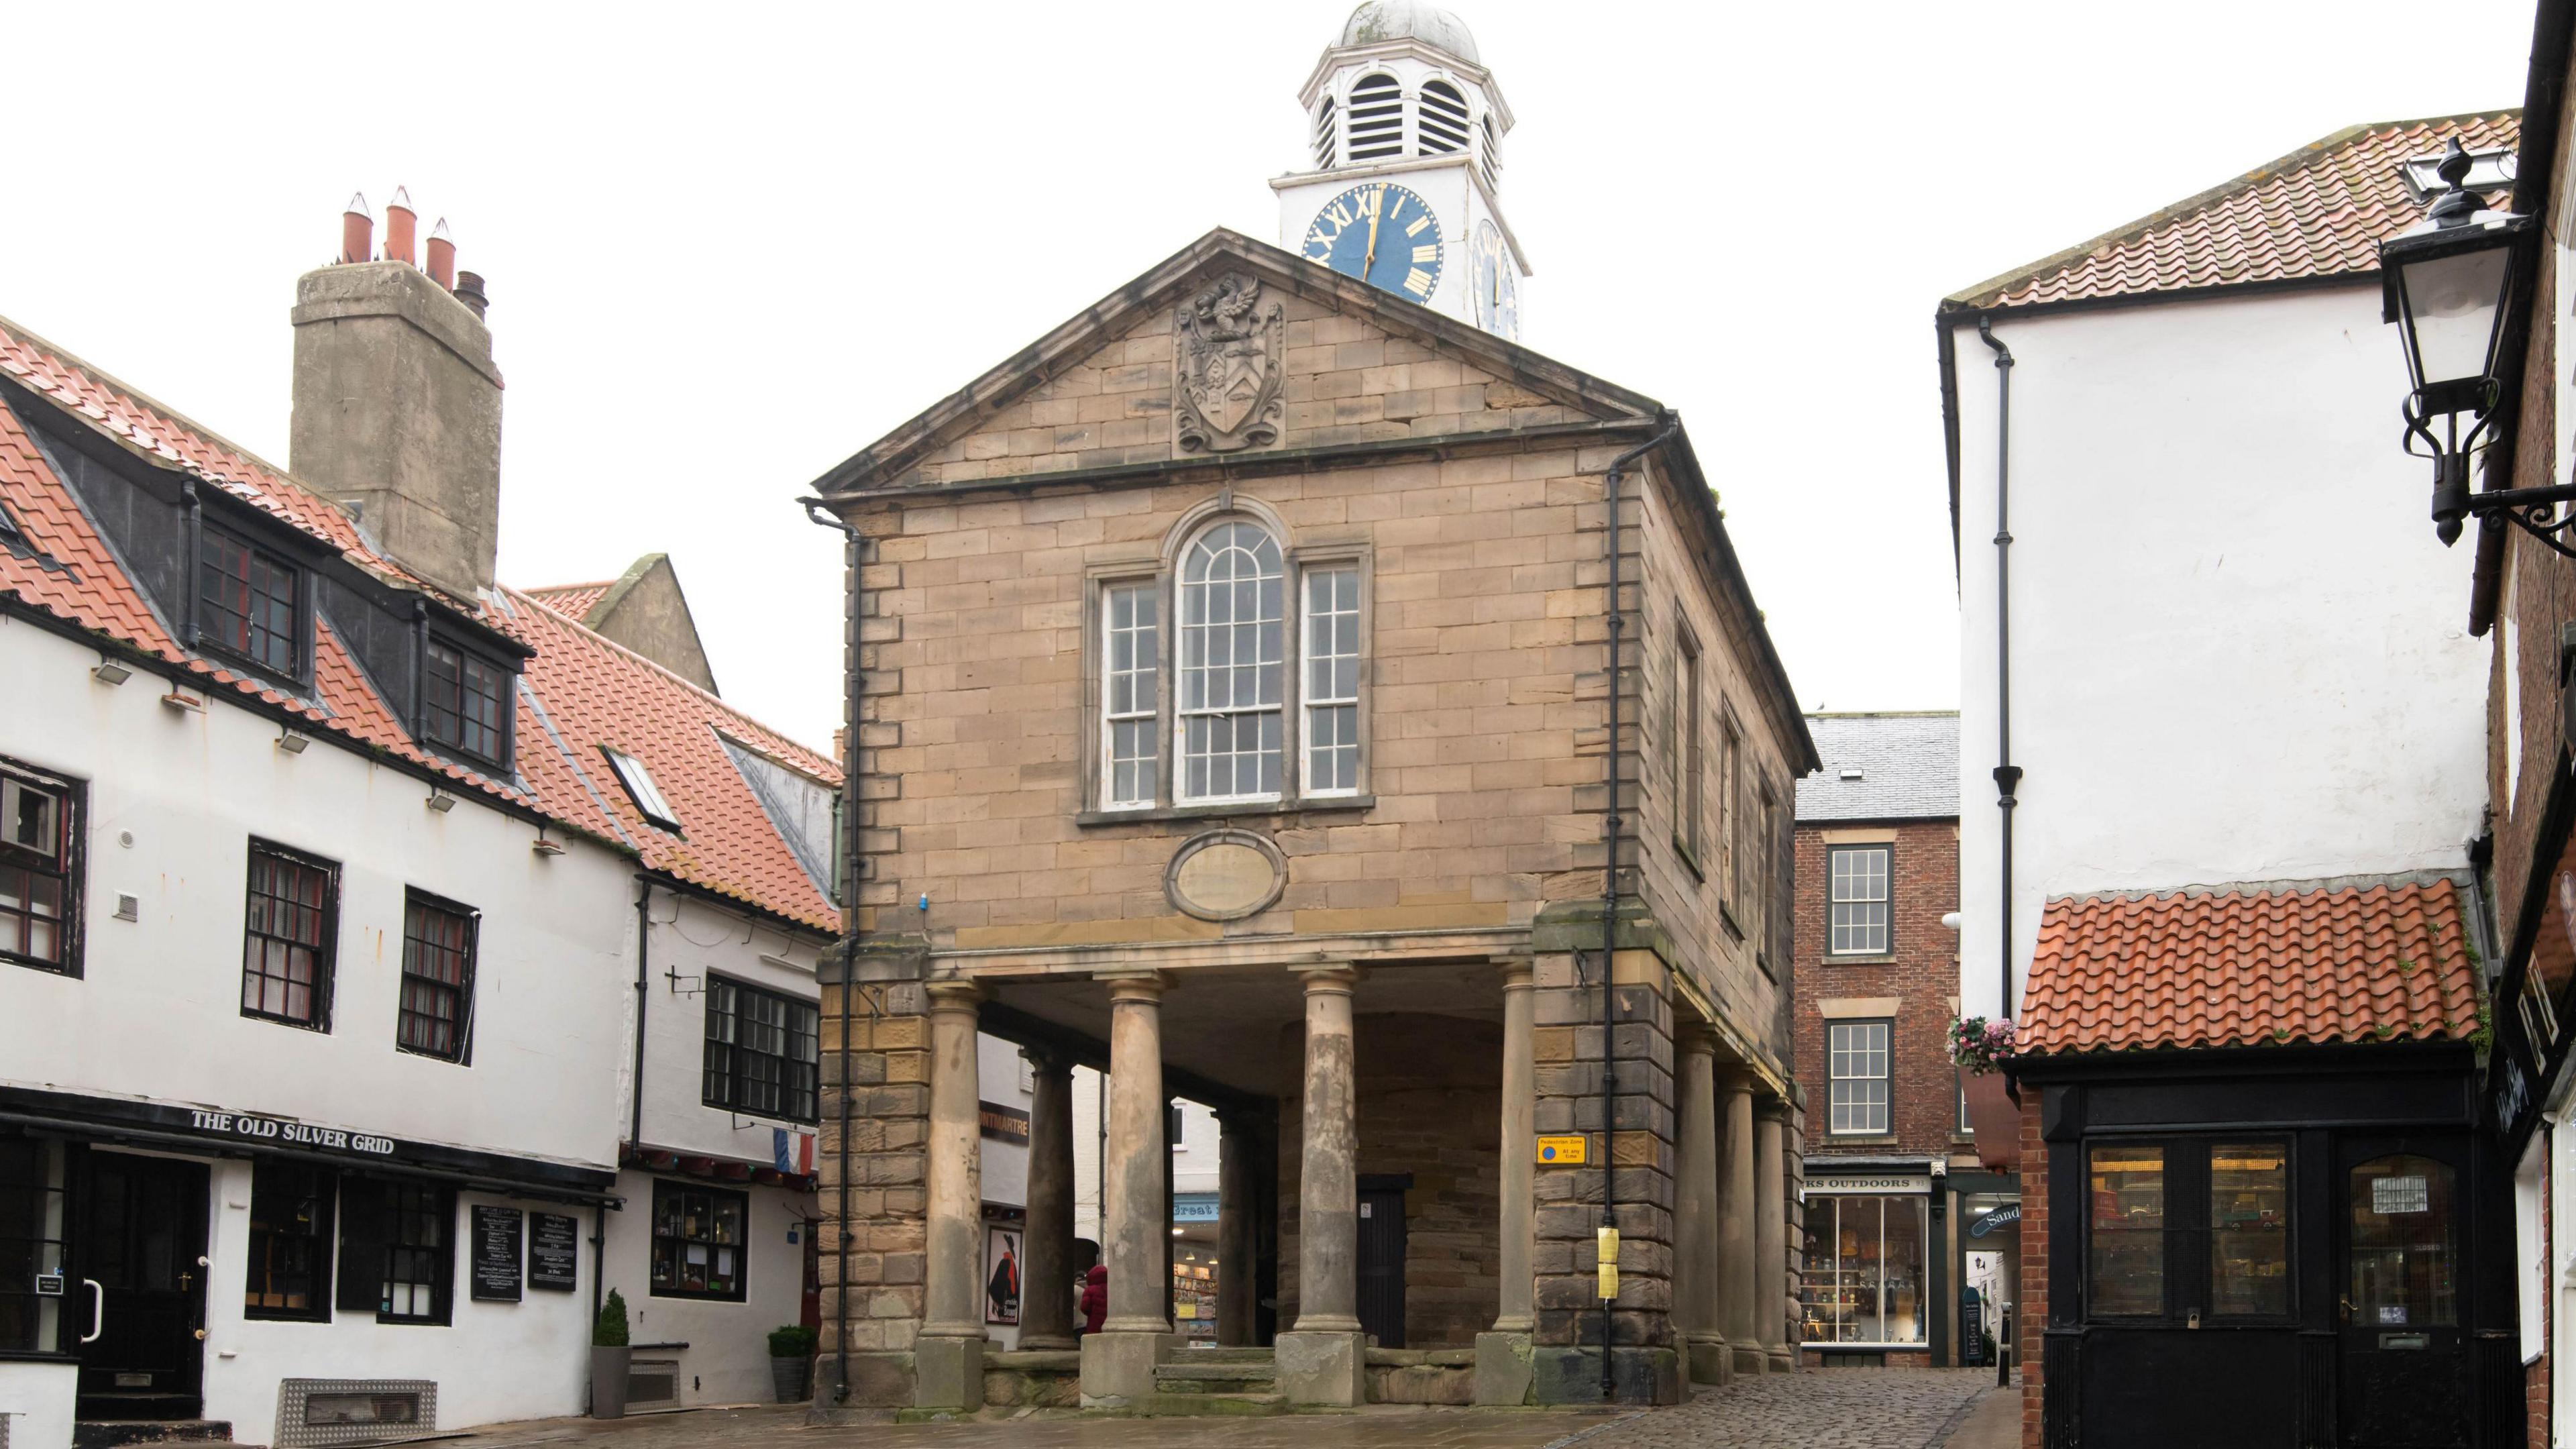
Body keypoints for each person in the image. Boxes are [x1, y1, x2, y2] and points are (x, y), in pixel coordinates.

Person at [1079, 1263, 1109, 1336]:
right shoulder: (1112, 1289)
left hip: (1094, 1323)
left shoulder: (1090, 1290)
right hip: (1109, 1322)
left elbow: (1085, 1307)